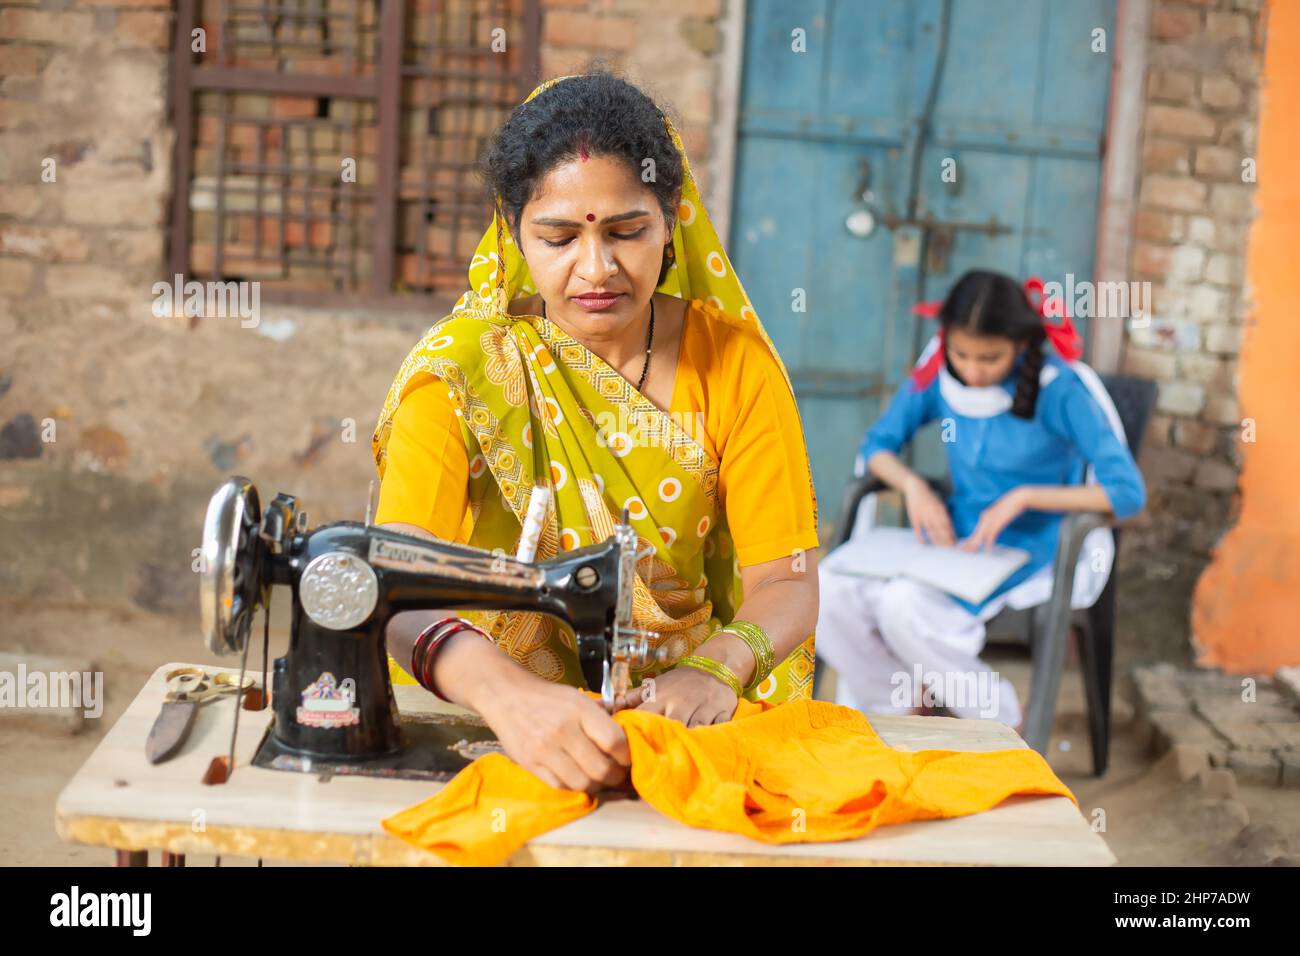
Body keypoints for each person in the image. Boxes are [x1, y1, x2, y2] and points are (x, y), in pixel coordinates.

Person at [369, 69, 821, 794]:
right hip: (493, 715)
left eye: (627, 231)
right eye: (557, 237)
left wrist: (715, 669)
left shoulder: (736, 367)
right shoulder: (462, 375)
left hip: (680, 716)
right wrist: (507, 696)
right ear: (513, 232)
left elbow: (787, 582)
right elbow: (396, 582)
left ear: (672, 220)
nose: (597, 268)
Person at [816, 269, 1146, 733]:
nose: (972, 371)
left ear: (1019, 344)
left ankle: (1003, 720)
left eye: (989, 358)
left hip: (1032, 546)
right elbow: (877, 448)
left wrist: (1026, 496)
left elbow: (1126, 493)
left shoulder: (1059, 389)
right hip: (957, 536)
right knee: (828, 589)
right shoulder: (941, 376)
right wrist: (914, 487)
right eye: (961, 353)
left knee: (903, 605)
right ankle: (902, 710)